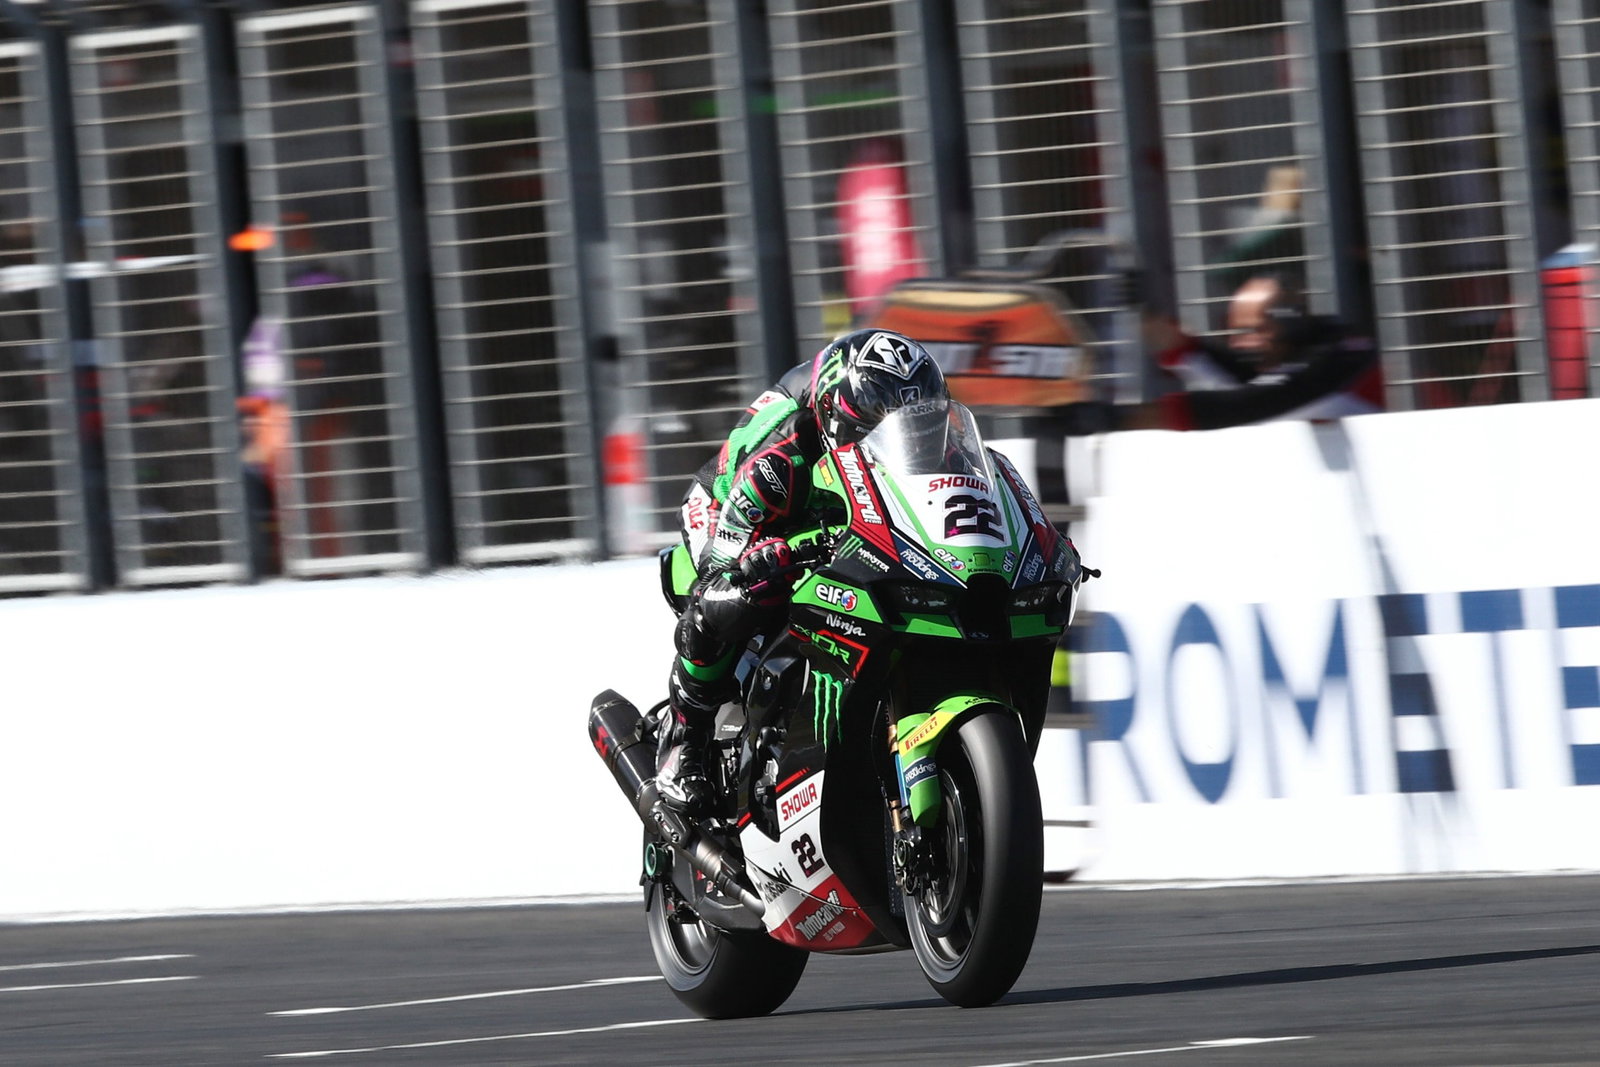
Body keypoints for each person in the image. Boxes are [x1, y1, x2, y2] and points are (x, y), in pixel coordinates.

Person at [657, 328, 948, 814]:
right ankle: (684, 739)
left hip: (829, 511)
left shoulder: (926, 444)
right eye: (878, 428)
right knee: (728, 599)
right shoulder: (785, 452)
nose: (905, 440)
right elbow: (722, 565)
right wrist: (756, 561)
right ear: (837, 414)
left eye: (919, 425)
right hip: (729, 506)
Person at [1125, 272, 1382, 431]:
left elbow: (1252, 403)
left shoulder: (1341, 359)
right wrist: (1144, 312)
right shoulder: (1277, 370)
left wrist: (1120, 419)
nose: (1240, 343)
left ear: (1290, 324)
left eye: (1253, 330)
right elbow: (1214, 369)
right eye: (1235, 332)